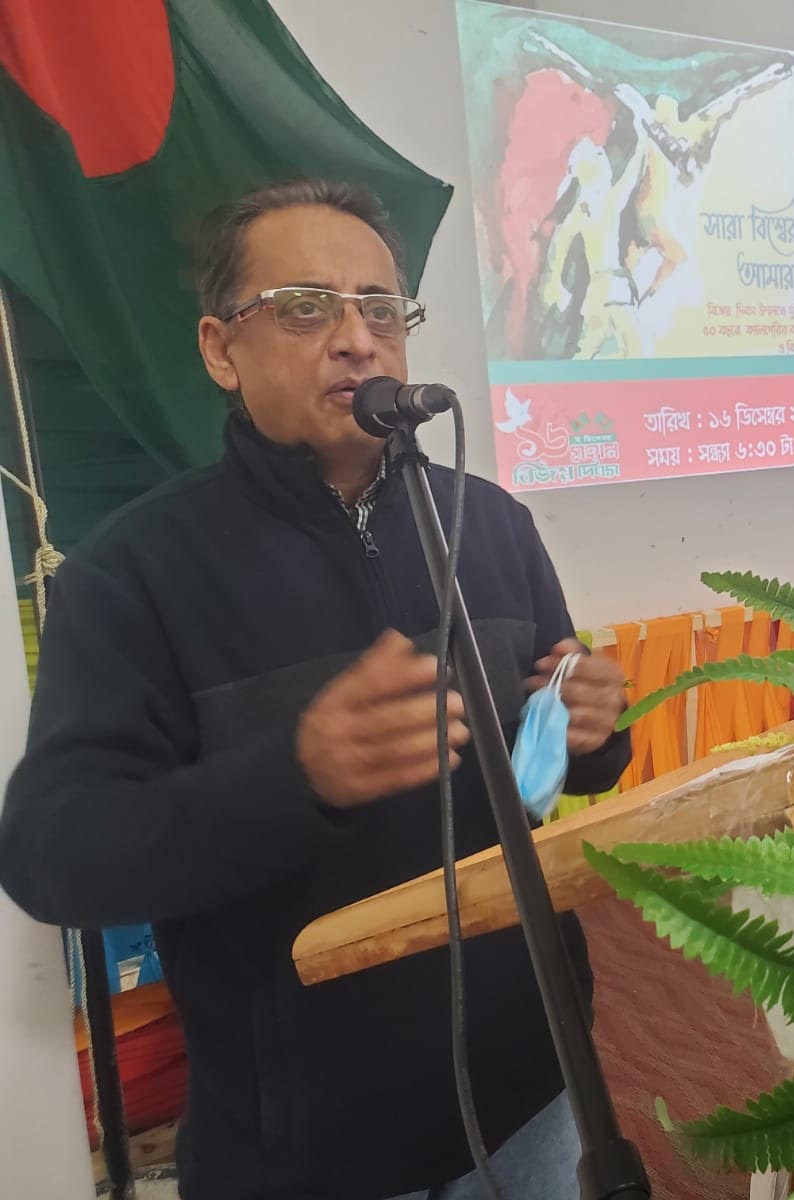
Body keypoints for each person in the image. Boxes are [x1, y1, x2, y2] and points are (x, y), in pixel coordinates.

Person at [0, 180, 631, 1200]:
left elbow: (533, 786)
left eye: (381, 309)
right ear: (221, 350)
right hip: (308, 1150)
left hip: (532, 1095)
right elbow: (55, 856)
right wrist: (295, 778)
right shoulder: (133, 572)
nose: (355, 339)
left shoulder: (490, 523)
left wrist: (590, 732)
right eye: (304, 308)